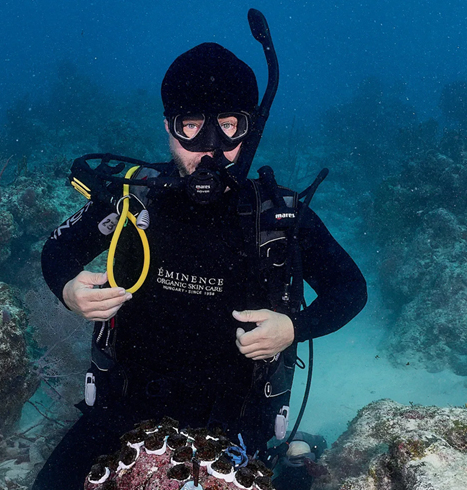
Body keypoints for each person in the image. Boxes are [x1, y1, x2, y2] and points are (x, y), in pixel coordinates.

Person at [32, 42, 367, 490]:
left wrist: (293, 329)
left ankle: (296, 457)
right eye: (191, 126)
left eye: (229, 126)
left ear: (251, 130)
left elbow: (350, 288)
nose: (211, 150)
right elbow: (57, 252)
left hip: (240, 416)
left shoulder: (278, 217)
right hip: (124, 405)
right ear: (169, 129)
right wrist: (68, 290)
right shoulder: (134, 200)